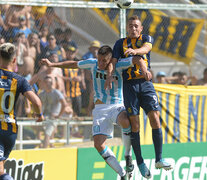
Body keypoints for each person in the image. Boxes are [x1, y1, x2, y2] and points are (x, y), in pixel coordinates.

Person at [40, 45, 149, 179]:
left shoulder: (119, 65)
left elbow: (137, 58)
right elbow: (74, 64)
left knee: (126, 121)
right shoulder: (92, 64)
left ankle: (128, 156)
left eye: (104, 61)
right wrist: (52, 64)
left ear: (111, 60)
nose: (101, 63)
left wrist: (144, 69)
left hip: (116, 105)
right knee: (98, 145)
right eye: (99, 59)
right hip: (99, 110)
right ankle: (122, 174)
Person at [105, 15, 172, 179]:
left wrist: (135, 51)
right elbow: (113, 61)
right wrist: (109, 74)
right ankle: (140, 162)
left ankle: (158, 159)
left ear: (141, 28)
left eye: (136, 26)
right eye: (130, 26)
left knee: (155, 118)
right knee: (135, 125)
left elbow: (146, 49)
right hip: (129, 86)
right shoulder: (120, 43)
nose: (133, 29)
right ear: (127, 28)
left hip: (146, 84)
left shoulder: (146, 39)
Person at [0, 42, 44, 180]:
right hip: (10, 131)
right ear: (14, 60)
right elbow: (36, 102)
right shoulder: (20, 80)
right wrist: (39, 115)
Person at [39, 76, 69, 148]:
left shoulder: (56, 93)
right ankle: (48, 145)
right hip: (45, 116)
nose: (48, 84)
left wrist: (59, 115)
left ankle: (44, 151)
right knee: (38, 129)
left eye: (50, 82)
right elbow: (38, 104)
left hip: (53, 117)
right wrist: (39, 114)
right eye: (46, 82)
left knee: (47, 133)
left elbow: (64, 104)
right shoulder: (42, 93)